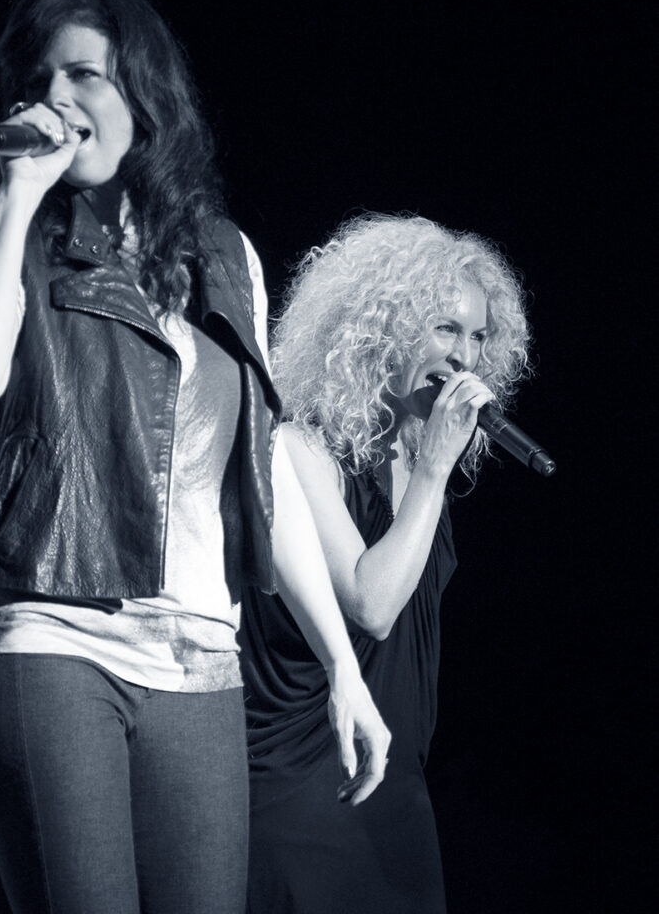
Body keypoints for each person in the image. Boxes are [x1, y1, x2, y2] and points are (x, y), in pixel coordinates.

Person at [0, 0, 389, 914]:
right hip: (53, 635)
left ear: (142, 96)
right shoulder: (11, 236)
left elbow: (262, 468)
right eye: (39, 78)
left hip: (201, 655)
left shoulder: (224, 254)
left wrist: (339, 668)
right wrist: (16, 195)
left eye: (83, 75)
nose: (58, 99)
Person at [240, 213, 531, 913]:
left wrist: (427, 471)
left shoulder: (420, 462)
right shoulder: (300, 449)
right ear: (381, 331)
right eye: (444, 328)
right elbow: (371, 606)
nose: (465, 355)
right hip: (304, 783)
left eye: (478, 335)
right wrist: (432, 471)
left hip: (399, 788)